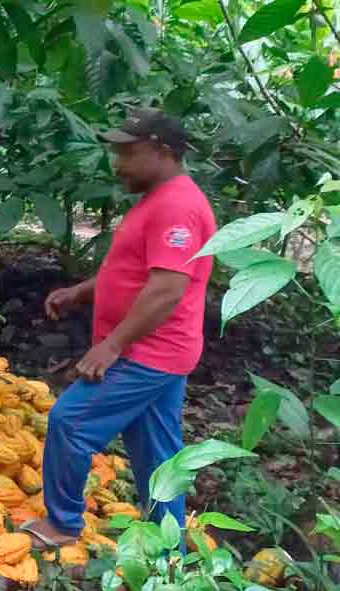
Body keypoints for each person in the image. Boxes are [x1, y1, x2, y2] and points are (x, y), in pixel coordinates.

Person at [22, 108, 217, 550]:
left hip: (148, 353)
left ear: (162, 152)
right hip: (162, 351)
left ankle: (63, 524)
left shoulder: (178, 207)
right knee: (158, 456)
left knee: (70, 421)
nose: (118, 163)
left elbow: (167, 289)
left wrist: (112, 345)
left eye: (128, 153)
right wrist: (84, 292)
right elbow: (136, 272)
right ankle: (171, 551)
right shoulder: (160, 199)